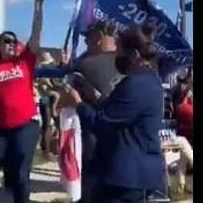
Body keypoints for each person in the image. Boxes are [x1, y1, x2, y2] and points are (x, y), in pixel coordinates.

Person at [59, 26, 164, 203]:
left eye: (120, 50)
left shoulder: (136, 84)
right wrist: (97, 99)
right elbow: (122, 112)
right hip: (129, 173)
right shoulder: (149, 79)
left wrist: (77, 103)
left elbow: (102, 123)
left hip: (126, 176)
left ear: (135, 54)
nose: (117, 56)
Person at [0, 0, 44, 203]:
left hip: (25, 125)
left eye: (14, 41)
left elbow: (35, 35)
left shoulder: (24, 61)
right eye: (6, 41)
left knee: (19, 173)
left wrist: (38, 9)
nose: (12, 44)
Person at [60, 20, 121, 203]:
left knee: (90, 186)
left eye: (88, 38)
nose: (85, 43)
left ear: (99, 39)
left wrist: (66, 69)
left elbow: (64, 96)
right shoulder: (131, 63)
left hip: (93, 137)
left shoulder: (86, 65)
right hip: (125, 141)